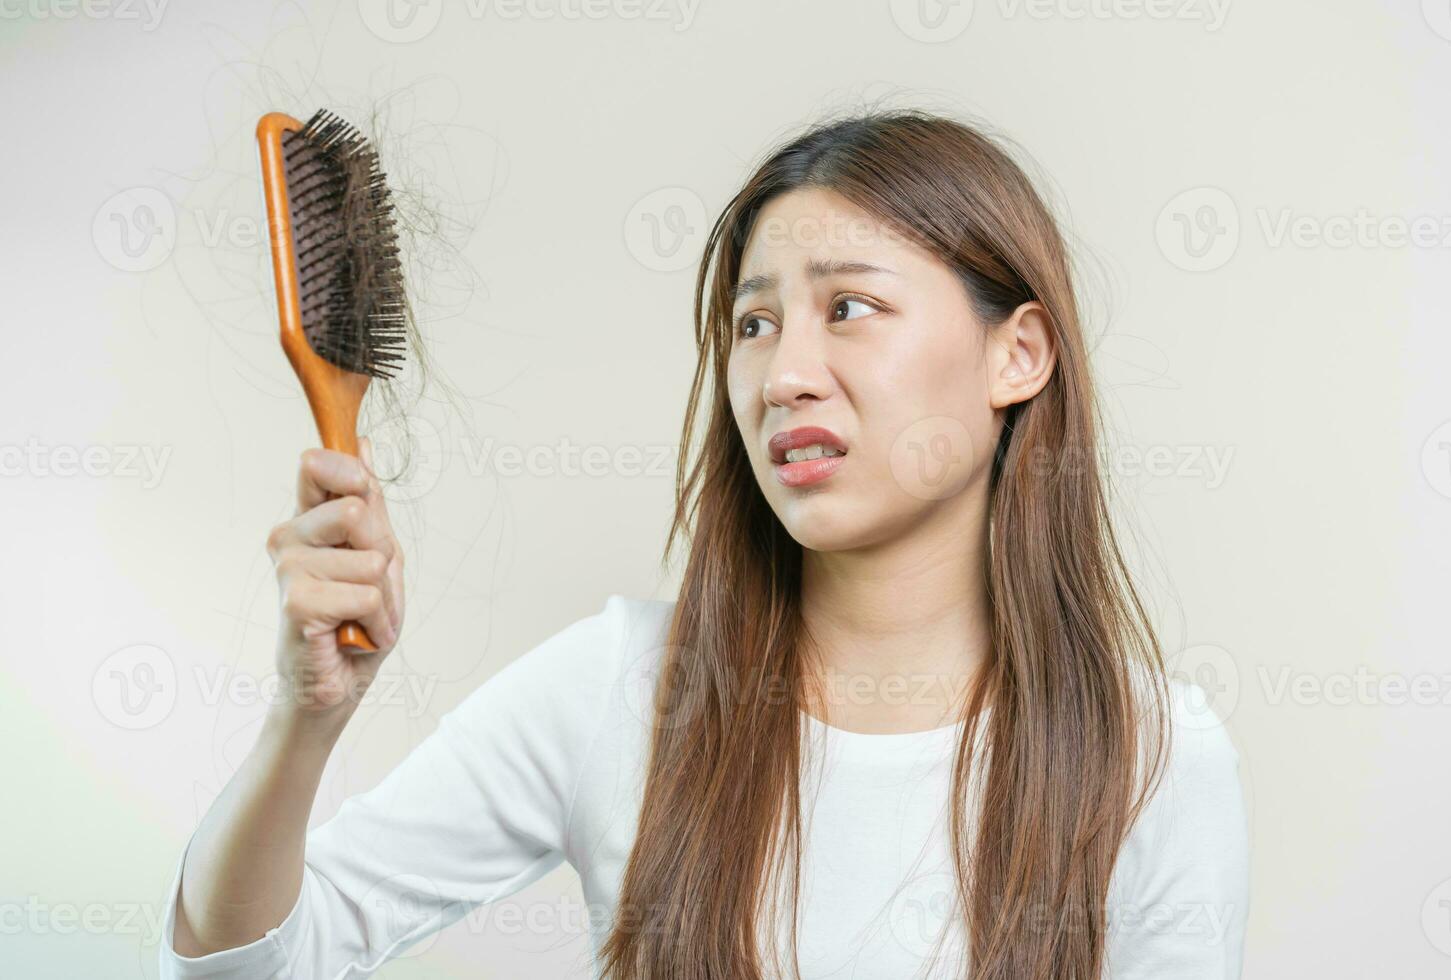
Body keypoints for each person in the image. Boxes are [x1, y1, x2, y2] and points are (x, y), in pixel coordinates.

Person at [158, 108, 1250, 979]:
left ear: (1020, 355)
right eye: (754, 322)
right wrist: (305, 724)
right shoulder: (620, 689)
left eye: (852, 307)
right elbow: (244, 967)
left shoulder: (1151, 754)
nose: (784, 376)